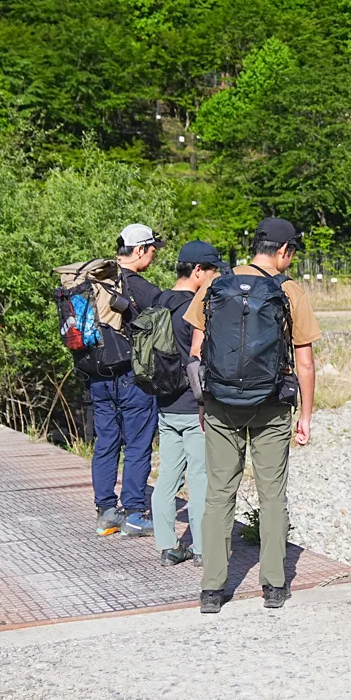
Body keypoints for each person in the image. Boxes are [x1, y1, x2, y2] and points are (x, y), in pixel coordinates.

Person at [184, 218, 320, 612]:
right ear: (282, 251)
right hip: (273, 406)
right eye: (291, 252)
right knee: (273, 495)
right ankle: (274, 586)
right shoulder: (289, 291)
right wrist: (306, 417)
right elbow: (305, 364)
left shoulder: (216, 285)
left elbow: (197, 355)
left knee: (218, 494)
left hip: (223, 404)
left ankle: (212, 589)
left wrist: (203, 404)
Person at [90, 223, 164, 537]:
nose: (155, 254)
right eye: (152, 249)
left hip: (96, 373)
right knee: (136, 444)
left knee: (105, 442)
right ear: (138, 251)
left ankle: (107, 513)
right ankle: (134, 513)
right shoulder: (138, 286)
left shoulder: (95, 282)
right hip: (131, 376)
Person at [150, 241, 221, 564]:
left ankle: (167, 546)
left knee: (167, 478)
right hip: (195, 407)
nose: (215, 277)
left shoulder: (158, 301)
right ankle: (203, 549)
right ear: (197, 271)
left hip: (165, 404)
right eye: (212, 270)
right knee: (200, 478)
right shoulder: (196, 308)